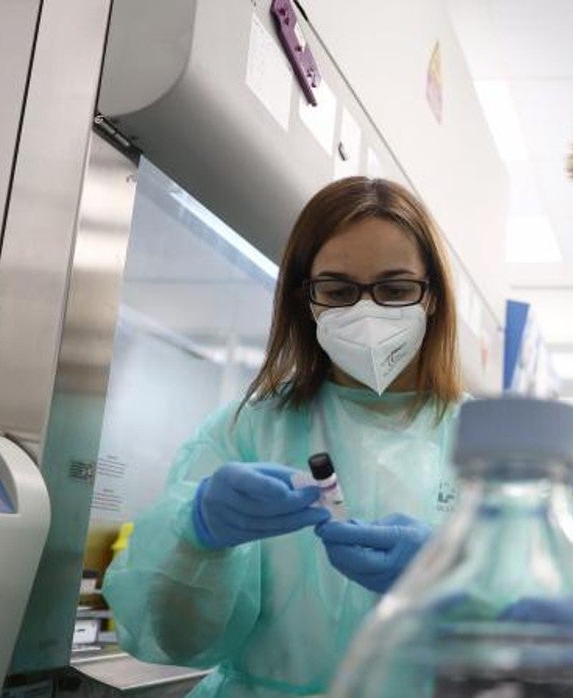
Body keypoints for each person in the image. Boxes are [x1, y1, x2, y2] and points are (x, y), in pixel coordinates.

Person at [103, 177, 465, 697]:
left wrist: (455, 579)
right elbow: (175, 640)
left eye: (395, 289)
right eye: (338, 291)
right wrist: (197, 539)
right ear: (305, 299)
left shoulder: (489, 448)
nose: (367, 314)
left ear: (431, 296)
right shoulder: (248, 431)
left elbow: (540, 639)